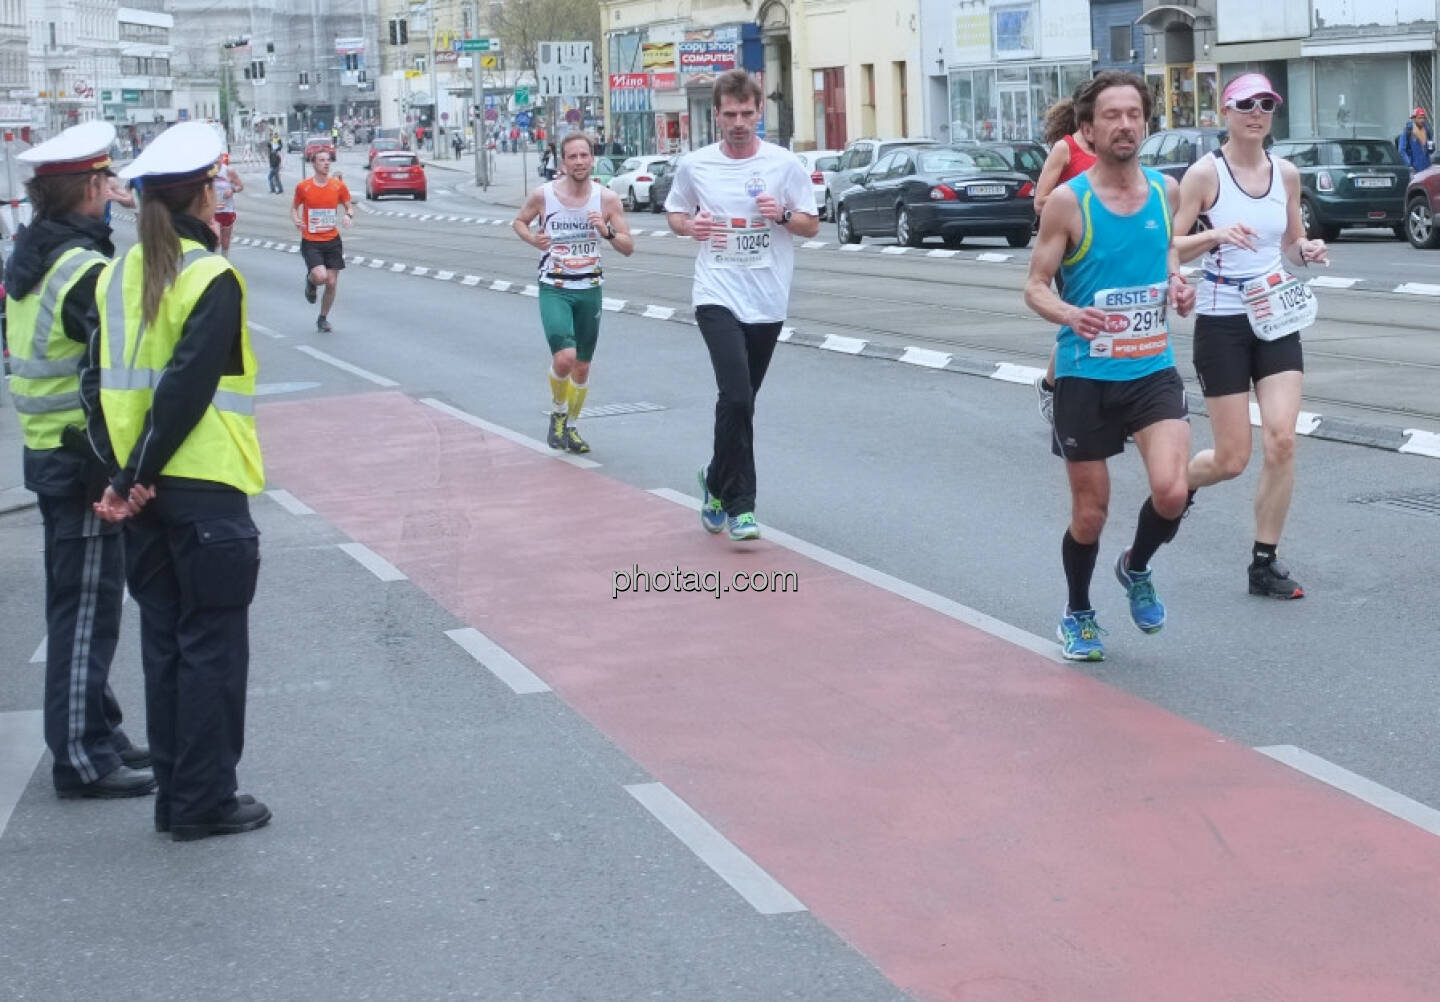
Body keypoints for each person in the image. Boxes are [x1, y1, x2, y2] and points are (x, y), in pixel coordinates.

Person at [88, 121, 270, 841]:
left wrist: (120, 477)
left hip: (147, 499)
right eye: (218, 181)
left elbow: (92, 386)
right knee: (214, 650)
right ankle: (203, 802)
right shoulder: (211, 276)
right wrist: (138, 474)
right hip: (202, 489)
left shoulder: (114, 275)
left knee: (165, 644)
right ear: (204, 194)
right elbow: (189, 388)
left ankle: (174, 797)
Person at [1022, 70, 1197, 662]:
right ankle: (1078, 611)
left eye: (1133, 114)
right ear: (1088, 129)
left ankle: (1137, 566)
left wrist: (1177, 283)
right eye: (1112, 116)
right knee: (1090, 513)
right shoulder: (1070, 203)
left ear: (1145, 122)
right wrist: (1070, 314)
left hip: (1151, 368)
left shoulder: (1165, 190)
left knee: (1173, 491)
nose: (1125, 124)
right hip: (1086, 375)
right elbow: (1035, 287)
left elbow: (1167, 249)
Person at [6, 119, 155, 800]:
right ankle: (79, 756)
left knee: (81, 601)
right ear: (91, 187)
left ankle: (99, 727)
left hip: (51, 454)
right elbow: (106, 380)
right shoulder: (85, 269)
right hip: (83, 461)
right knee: (88, 610)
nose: (111, 192)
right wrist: (118, 471)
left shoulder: (36, 253)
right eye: (106, 181)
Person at [1170, 73, 1328, 599]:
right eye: (1246, 105)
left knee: (1282, 439)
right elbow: (1170, 245)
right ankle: (1179, 483)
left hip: (1275, 313)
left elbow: (1290, 240)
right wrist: (1212, 234)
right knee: (1232, 458)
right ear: (1226, 111)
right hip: (1222, 320)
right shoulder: (1204, 175)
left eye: (1266, 104)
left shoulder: (1286, 173)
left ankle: (1265, 562)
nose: (1257, 113)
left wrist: (1306, 250)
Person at [664, 68, 820, 541]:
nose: (737, 122)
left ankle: (715, 480)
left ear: (759, 112)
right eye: (729, 114)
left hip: (767, 299)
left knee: (742, 403)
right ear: (717, 115)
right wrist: (690, 227)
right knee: (737, 396)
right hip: (717, 293)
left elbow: (812, 224)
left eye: (746, 113)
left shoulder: (784, 165)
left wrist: (785, 216)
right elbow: (674, 212)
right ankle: (742, 506)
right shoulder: (696, 165)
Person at [512, 133, 634, 454]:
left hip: (589, 288)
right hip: (555, 285)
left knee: (582, 366)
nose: (579, 162)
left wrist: (606, 231)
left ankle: (572, 428)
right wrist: (532, 240)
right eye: (572, 157)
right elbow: (519, 222)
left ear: (591, 158)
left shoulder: (606, 199)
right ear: (562, 162)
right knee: (564, 357)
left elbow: (628, 247)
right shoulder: (543, 196)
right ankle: (557, 412)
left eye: (584, 155)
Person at [1031, 93, 1096, 425]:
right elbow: (1040, 201)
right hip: (1072, 249)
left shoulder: (1115, 150)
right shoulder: (1065, 148)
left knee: (1116, 320)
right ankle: (1051, 385)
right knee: (1079, 320)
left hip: (1110, 248)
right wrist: (1074, 207)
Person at [291, 149, 353, 332]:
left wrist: (348, 215)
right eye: (322, 160)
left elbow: (349, 205)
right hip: (311, 240)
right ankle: (310, 281)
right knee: (321, 277)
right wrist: (296, 219)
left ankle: (322, 318)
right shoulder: (304, 187)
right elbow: (294, 208)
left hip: (332, 240)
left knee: (332, 282)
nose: (326, 163)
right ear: (314, 164)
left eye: (328, 160)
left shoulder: (337, 186)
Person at [212, 152, 244, 256]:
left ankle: (224, 262)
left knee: (225, 242)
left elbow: (240, 186)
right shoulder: (208, 172)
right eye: (213, 160)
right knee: (216, 240)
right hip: (212, 211)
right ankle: (213, 264)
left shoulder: (229, 171)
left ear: (221, 158)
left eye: (217, 159)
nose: (216, 162)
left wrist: (232, 190)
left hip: (226, 209)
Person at [1398, 106, 1431, 172]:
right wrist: (1409, 164)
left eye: (1423, 118)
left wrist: (1432, 148)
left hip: (1426, 167)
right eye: (1419, 118)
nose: (1422, 120)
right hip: (1414, 169)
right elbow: (1401, 150)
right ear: (1414, 119)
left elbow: (1429, 147)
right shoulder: (1407, 131)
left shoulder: (1427, 130)